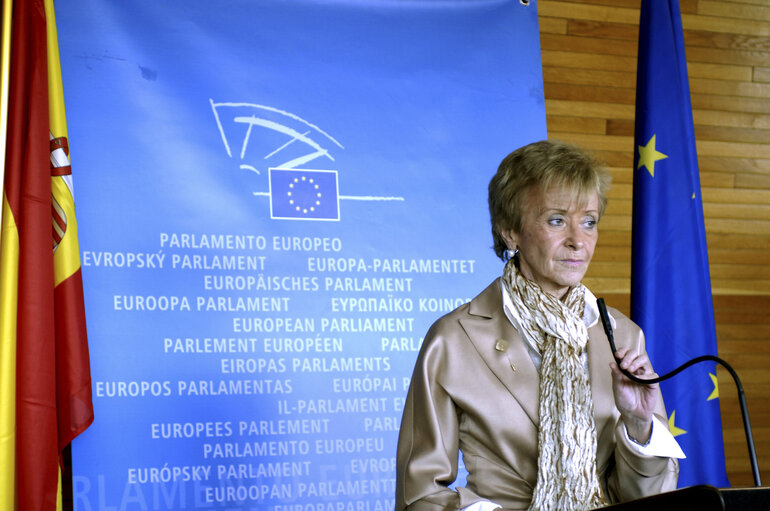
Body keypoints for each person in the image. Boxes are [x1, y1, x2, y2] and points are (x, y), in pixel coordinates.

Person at [395, 140, 683, 511]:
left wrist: (639, 426)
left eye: (589, 222)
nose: (578, 241)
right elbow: (419, 494)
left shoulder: (623, 334)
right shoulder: (453, 339)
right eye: (557, 220)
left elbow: (651, 500)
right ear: (510, 231)